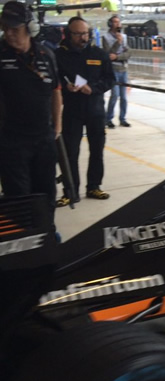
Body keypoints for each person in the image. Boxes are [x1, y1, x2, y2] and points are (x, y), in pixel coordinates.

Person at [0, 1, 62, 229]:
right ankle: (22, 244)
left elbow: (56, 92)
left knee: (46, 193)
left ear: (30, 28)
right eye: (5, 28)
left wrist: (57, 127)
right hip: (11, 141)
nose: (9, 34)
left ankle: (47, 235)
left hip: (43, 139)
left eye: (14, 29)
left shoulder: (47, 55)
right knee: (17, 198)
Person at [55, 16, 114, 207]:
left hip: (95, 110)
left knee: (97, 150)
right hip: (72, 110)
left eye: (86, 33)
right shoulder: (58, 55)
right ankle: (70, 192)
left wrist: (94, 88)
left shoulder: (99, 54)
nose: (83, 37)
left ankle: (94, 186)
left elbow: (110, 79)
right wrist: (65, 86)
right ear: (68, 34)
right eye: (78, 34)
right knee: (70, 153)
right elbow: (53, 80)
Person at [102, 15, 131, 128]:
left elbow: (128, 53)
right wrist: (118, 43)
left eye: (118, 22)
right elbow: (108, 54)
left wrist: (118, 57)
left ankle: (123, 118)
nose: (117, 24)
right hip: (113, 69)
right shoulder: (106, 37)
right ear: (110, 24)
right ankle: (108, 118)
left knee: (124, 97)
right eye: (115, 22)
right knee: (115, 95)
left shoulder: (124, 36)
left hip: (123, 68)